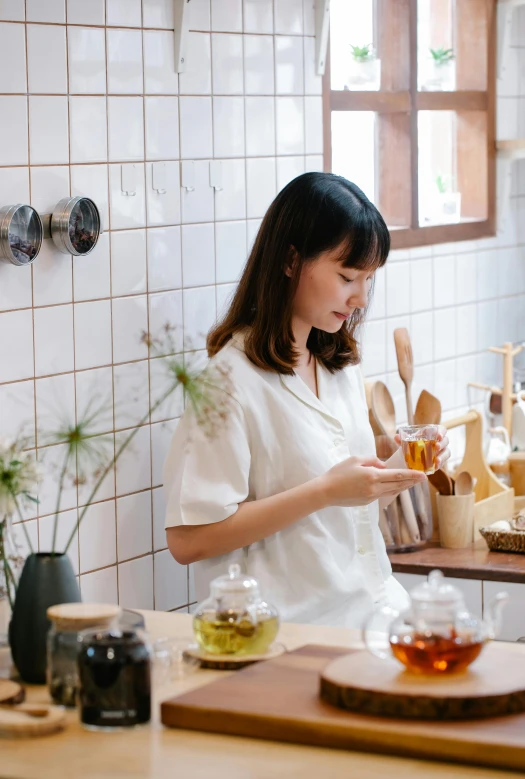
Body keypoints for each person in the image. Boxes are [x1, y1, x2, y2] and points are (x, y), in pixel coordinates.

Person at [163, 173, 450, 628]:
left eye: (368, 280)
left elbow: (344, 512)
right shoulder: (228, 383)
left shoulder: (338, 366)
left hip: (375, 610)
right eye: (347, 276)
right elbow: (188, 540)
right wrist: (323, 492)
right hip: (286, 634)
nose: (359, 298)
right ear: (291, 260)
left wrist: (401, 464)